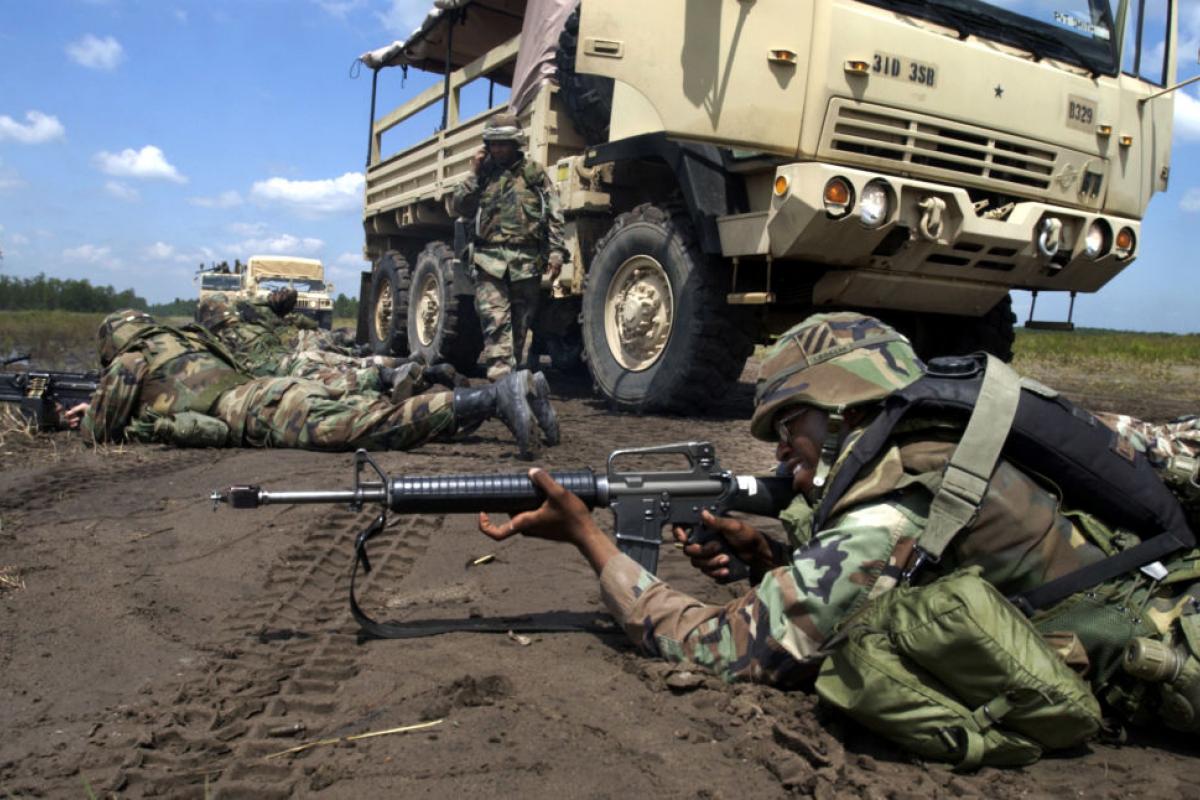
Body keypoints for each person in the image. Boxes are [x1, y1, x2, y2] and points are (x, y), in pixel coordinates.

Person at [477, 311, 1200, 759]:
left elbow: (720, 649)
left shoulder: (886, 510)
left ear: (839, 404)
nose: (780, 449)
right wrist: (774, 559)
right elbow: (925, 569)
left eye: (788, 424)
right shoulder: (950, 438)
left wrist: (589, 539)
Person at [63, 310, 558, 458]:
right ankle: (518, 389)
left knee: (374, 428)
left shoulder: (132, 360)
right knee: (376, 412)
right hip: (275, 393)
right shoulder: (183, 343)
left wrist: (90, 418)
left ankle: (495, 397)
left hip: (270, 409)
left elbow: (100, 431)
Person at [450, 112, 568, 379]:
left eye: (503, 144)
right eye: (493, 144)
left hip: (526, 262)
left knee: (519, 326)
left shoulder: (534, 173)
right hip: (488, 259)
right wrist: (474, 173)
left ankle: (509, 377)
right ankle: (500, 374)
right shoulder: (482, 174)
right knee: (494, 319)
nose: (498, 149)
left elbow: (554, 213)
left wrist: (556, 252)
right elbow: (460, 206)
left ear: (516, 144)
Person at [195, 291, 463, 401]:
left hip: (286, 367)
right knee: (354, 363)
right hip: (298, 355)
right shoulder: (252, 321)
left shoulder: (218, 340)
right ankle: (418, 367)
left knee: (346, 377)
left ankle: (399, 375)